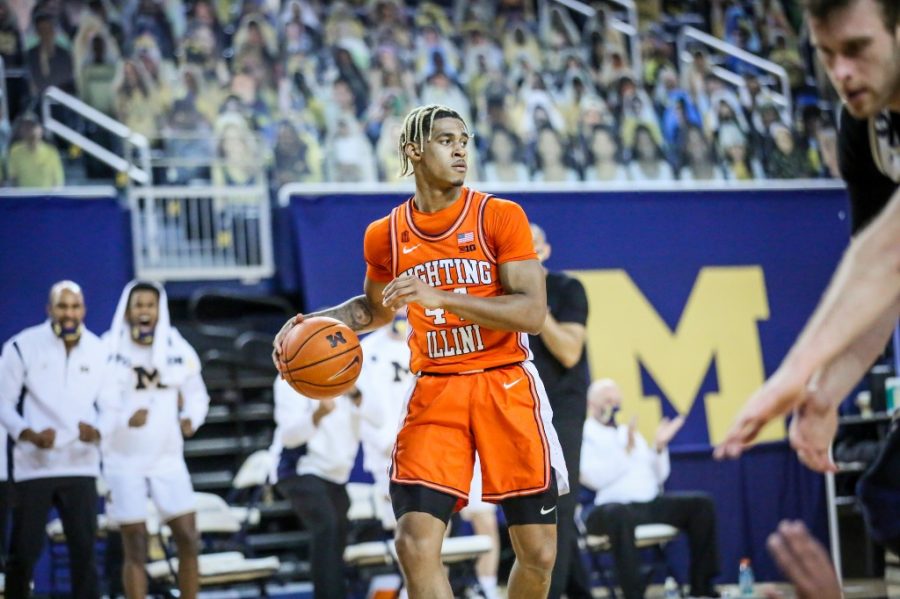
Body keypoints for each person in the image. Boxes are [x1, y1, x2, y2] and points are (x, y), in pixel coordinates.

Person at [273, 103, 569, 599]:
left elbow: (532, 313)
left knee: (538, 554)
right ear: (414, 150)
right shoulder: (385, 234)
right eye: (446, 140)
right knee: (414, 544)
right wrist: (316, 323)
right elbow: (374, 310)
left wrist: (442, 297)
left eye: (464, 141)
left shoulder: (499, 215)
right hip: (437, 389)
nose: (460, 150)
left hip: (505, 383)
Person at [716, 0, 899, 473]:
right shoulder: (863, 127)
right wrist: (823, 393)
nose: (843, 72)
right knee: (886, 502)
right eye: (827, 53)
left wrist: (794, 374)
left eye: (857, 49)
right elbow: (878, 293)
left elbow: (889, 254)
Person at [0, 281, 117, 599]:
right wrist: (27, 433)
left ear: (84, 310)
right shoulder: (22, 346)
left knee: (85, 555)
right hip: (33, 466)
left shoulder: (100, 350)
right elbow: (3, 402)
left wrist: (97, 431)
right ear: (49, 309)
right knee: (22, 556)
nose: (69, 313)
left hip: (81, 465)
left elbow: (111, 406)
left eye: (75, 306)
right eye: (62, 306)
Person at [103, 281, 209, 599]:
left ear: (158, 309)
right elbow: (98, 403)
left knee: (189, 537)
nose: (144, 311)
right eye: (139, 305)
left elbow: (197, 394)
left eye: (150, 304)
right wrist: (124, 418)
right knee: (135, 546)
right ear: (128, 310)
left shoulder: (177, 347)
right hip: (123, 460)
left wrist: (191, 416)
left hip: (168, 458)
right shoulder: (109, 348)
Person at [581, 379, 721, 599]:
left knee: (701, 504)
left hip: (647, 504)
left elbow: (658, 476)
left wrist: (658, 447)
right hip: (607, 510)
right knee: (618, 514)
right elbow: (594, 479)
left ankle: (701, 587)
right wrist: (624, 451)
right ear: (591, 403)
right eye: (607, 400)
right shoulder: (584, 435)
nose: (613, 406)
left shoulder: (629, 432)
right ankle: (634, 594)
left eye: (616, 401)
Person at [271, 377, 383, 599]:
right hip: (298, 468)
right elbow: (288, 437)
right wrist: (318, 414)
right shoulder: (292, 375)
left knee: (338, 533)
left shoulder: (353, 373)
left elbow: (379, 417)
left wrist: (355, 393)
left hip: (337, 474)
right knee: (327, 526)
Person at [528, 224, 593, 599]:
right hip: (521, 405)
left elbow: (569, 351)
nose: (527, 253)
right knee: (529, 508)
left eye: (532, 246)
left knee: (559, 504)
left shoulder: (568, 289)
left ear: (546, 251)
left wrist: (535, 304)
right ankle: (579, 590)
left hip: (562, 407)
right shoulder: (500, 295)